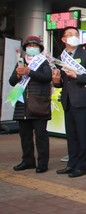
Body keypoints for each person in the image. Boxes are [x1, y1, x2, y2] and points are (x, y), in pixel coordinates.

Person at [52, 27, 86, 177]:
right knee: (71, 135)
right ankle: (71, 164)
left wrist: (77, 76)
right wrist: (56, 82)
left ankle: (81, 166)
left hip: (83, 101)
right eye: (70, 35)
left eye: (76, 34)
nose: (74, 37)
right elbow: (63, 82)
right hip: (68, 101)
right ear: (63, 39)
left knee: (82, 134)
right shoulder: (61, 57)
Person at [9, 36, 52, 173]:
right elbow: (11, 81)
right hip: (22, 104)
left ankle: (42, 163)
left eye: (35, 46)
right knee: (25, 136)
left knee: (41, 136)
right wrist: (18, 75)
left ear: (39, 48)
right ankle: (28, 161)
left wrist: (30, 72)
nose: (32, 48)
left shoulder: (44, 62)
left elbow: (47, 78)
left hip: (38, 103)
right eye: (29, 45)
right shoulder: (21, 62)